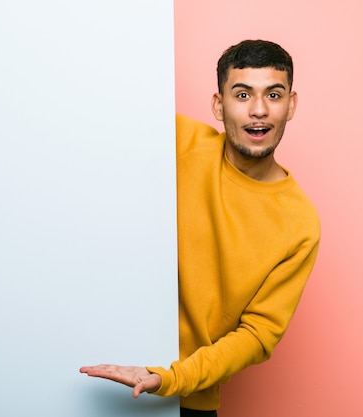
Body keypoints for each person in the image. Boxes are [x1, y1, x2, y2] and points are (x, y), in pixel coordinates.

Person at [80, 40, 320, 416]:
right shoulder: (174, 141)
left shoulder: (301, 223)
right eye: (243, 94)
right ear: (218, 104)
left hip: (188, 396)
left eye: (273, 94)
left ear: (291, 105)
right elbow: (89, 117)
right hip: (90, 365)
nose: (259, 110)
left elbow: (257, 335)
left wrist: (171, 379)